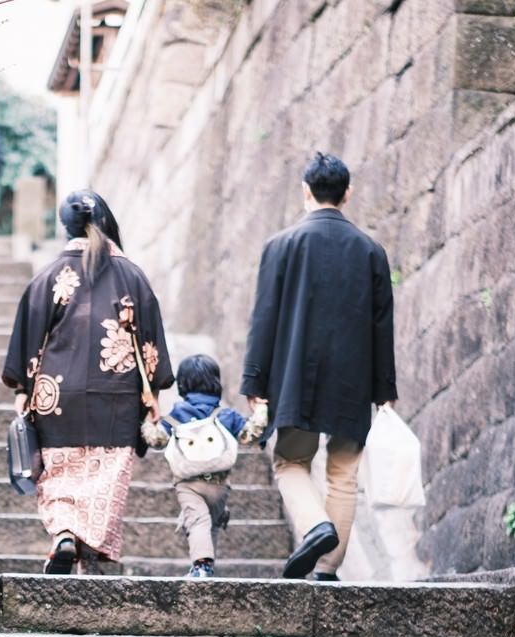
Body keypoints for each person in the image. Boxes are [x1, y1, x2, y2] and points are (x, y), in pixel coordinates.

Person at [240, 152, 397, 582]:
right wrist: (384, 391)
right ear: (347, 194)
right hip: (353, 379)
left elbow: (264, 318)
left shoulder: (281, 246)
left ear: (305, 192)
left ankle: (315, 527)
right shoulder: (371, 251)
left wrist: (255, 380)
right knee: (344, 475)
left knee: (290, 461)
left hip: (296, 376)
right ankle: (328, 569)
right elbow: (382, 326)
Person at [3, 191, 173, 574]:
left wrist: (22, 390)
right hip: (117, 400)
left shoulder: (49, 277)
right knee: (104, 482)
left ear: (65, 227)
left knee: (61, 476)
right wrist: (153, 396)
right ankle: (93, 556)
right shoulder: (132, 276)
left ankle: (64, 533)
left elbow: (28, 340)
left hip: (56, 398)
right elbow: (151, 347)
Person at [165, 354, 248, 579]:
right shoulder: (227, 415)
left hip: (189, 484)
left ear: (183, 383)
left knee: (197, 520)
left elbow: (157, 438)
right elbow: (250, 435)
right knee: (209, 523)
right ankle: (206, 564)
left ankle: (202, 566)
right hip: (221, 485)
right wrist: (260, 411)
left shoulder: (177, 414)